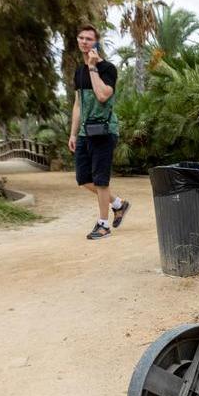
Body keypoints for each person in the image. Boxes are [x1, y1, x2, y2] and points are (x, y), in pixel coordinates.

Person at [68, 25, 129, 240]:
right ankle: (118, 204)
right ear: (78, 41)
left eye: (89, 39)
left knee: (101, 180)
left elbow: (103, 96)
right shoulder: (78, 71)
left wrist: (93, 67)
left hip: (104, 131)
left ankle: (103, 225)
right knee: (84, 179)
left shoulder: (108, 69)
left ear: (96, 42)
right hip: (84, 133)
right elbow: (78, 104)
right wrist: (73, 134)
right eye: (81, 37)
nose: (84, 41)